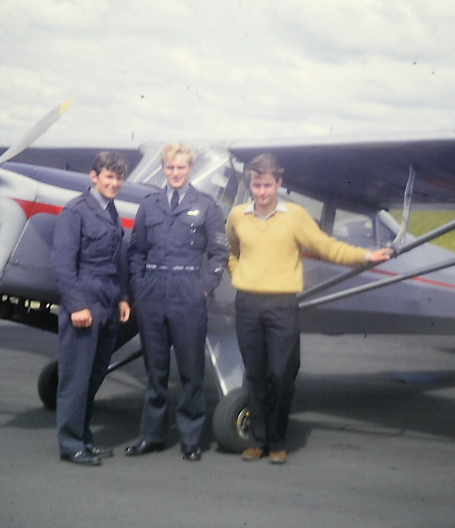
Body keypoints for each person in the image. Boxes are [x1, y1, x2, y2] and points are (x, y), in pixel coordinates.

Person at [226, 153, 392, 465]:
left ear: (279, 183)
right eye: (256, 185)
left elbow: (327, 246)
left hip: (282, 304)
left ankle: (277, 439)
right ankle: (258, 440)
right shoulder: (237, 216)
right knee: (256, 375)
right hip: (247, 303)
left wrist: (366, 257)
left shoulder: (296, 216)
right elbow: (233, 250)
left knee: (282, 374)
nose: (261, 192)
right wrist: (237, 273)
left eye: (267, 185)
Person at [125, 142, 228, 462]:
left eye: (181, 167)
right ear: (164, 169)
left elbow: (219, 253)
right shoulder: (150, 204)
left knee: (191, 372)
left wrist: (204, 288)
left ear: (190, 168)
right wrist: (139, 288)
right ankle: (151, 436)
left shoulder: (207, 205)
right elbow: (137, 251)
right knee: (155, 371)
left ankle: (190, 439)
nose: (175, 173)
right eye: (170, 167)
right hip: (153, 292)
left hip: (187, 292)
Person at [51, 151, 132, 466]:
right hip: (85, 299)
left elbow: (117, 260)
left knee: (95, 374)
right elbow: (62, 263)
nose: (114, 183)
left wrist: (123, 296)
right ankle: (70, 445)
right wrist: (76, 305)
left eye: (118, 178)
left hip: (109, 300)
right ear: (94, 177)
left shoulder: (110, 211)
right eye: (108, 177)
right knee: (76, 376)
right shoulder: (76, 211)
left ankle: (83, 437)